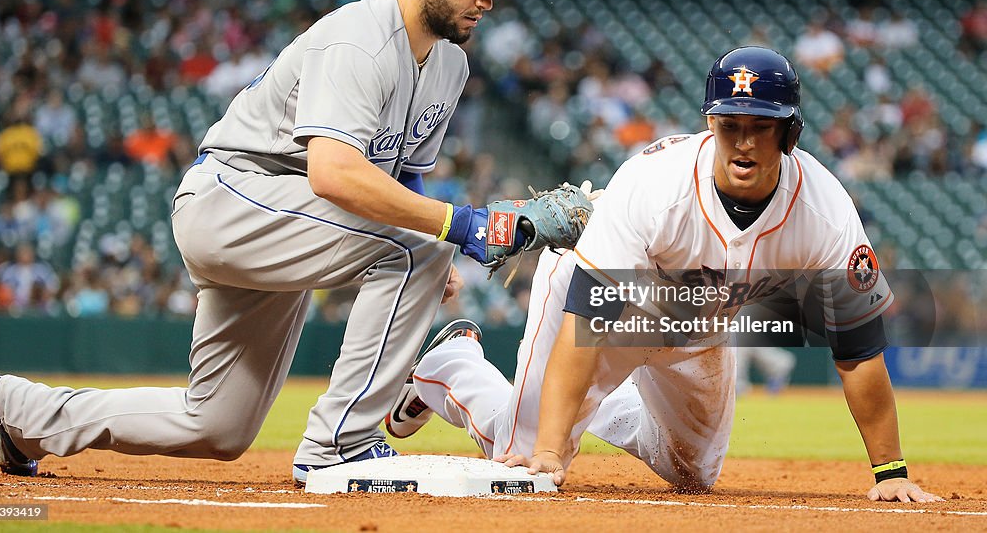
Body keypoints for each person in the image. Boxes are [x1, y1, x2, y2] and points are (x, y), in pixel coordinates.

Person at [0, 0, 538, 486]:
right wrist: (451, 229)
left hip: (291, 218)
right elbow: (335, 173)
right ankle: (341, 443)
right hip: (237, 195)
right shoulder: (359, 40)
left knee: (215, 427)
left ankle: (26, 416)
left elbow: (402, 172)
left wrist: (427, 227)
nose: (488, 0)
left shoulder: (451, 64)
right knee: (419, 246)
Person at [388, 46, 942, 503]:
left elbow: (860, 353)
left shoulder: (825, 212)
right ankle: (450, 368)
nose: (743, 140)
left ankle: (600, 403)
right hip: (602, 301)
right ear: (711, 123)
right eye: (730, 124)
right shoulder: (656, 185)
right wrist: (552, 450)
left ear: (789, 133)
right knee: (525, 452)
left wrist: (890, 471)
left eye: (761, 126)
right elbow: (586, 322)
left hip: (698, 325)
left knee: (694, 476)